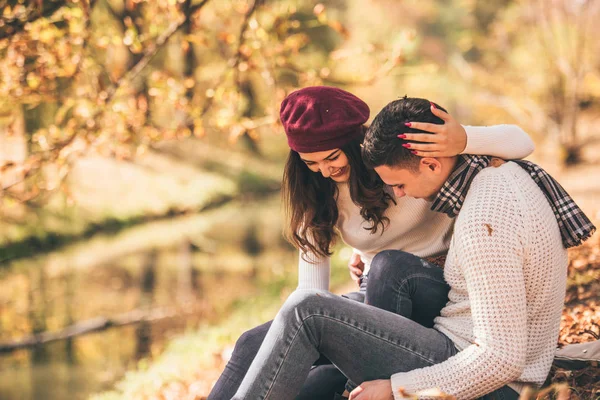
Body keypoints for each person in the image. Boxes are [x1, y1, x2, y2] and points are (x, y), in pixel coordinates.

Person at [230, 97, 595, 400]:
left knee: (311, 312)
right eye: (312, 164)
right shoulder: (491, 183)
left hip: (492, 383)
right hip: (458, 346)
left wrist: (396, 387)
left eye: (399, 185)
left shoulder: (485, 216)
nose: (397, 195)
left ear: (433, 160)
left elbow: (502, 361)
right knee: (258, 341)